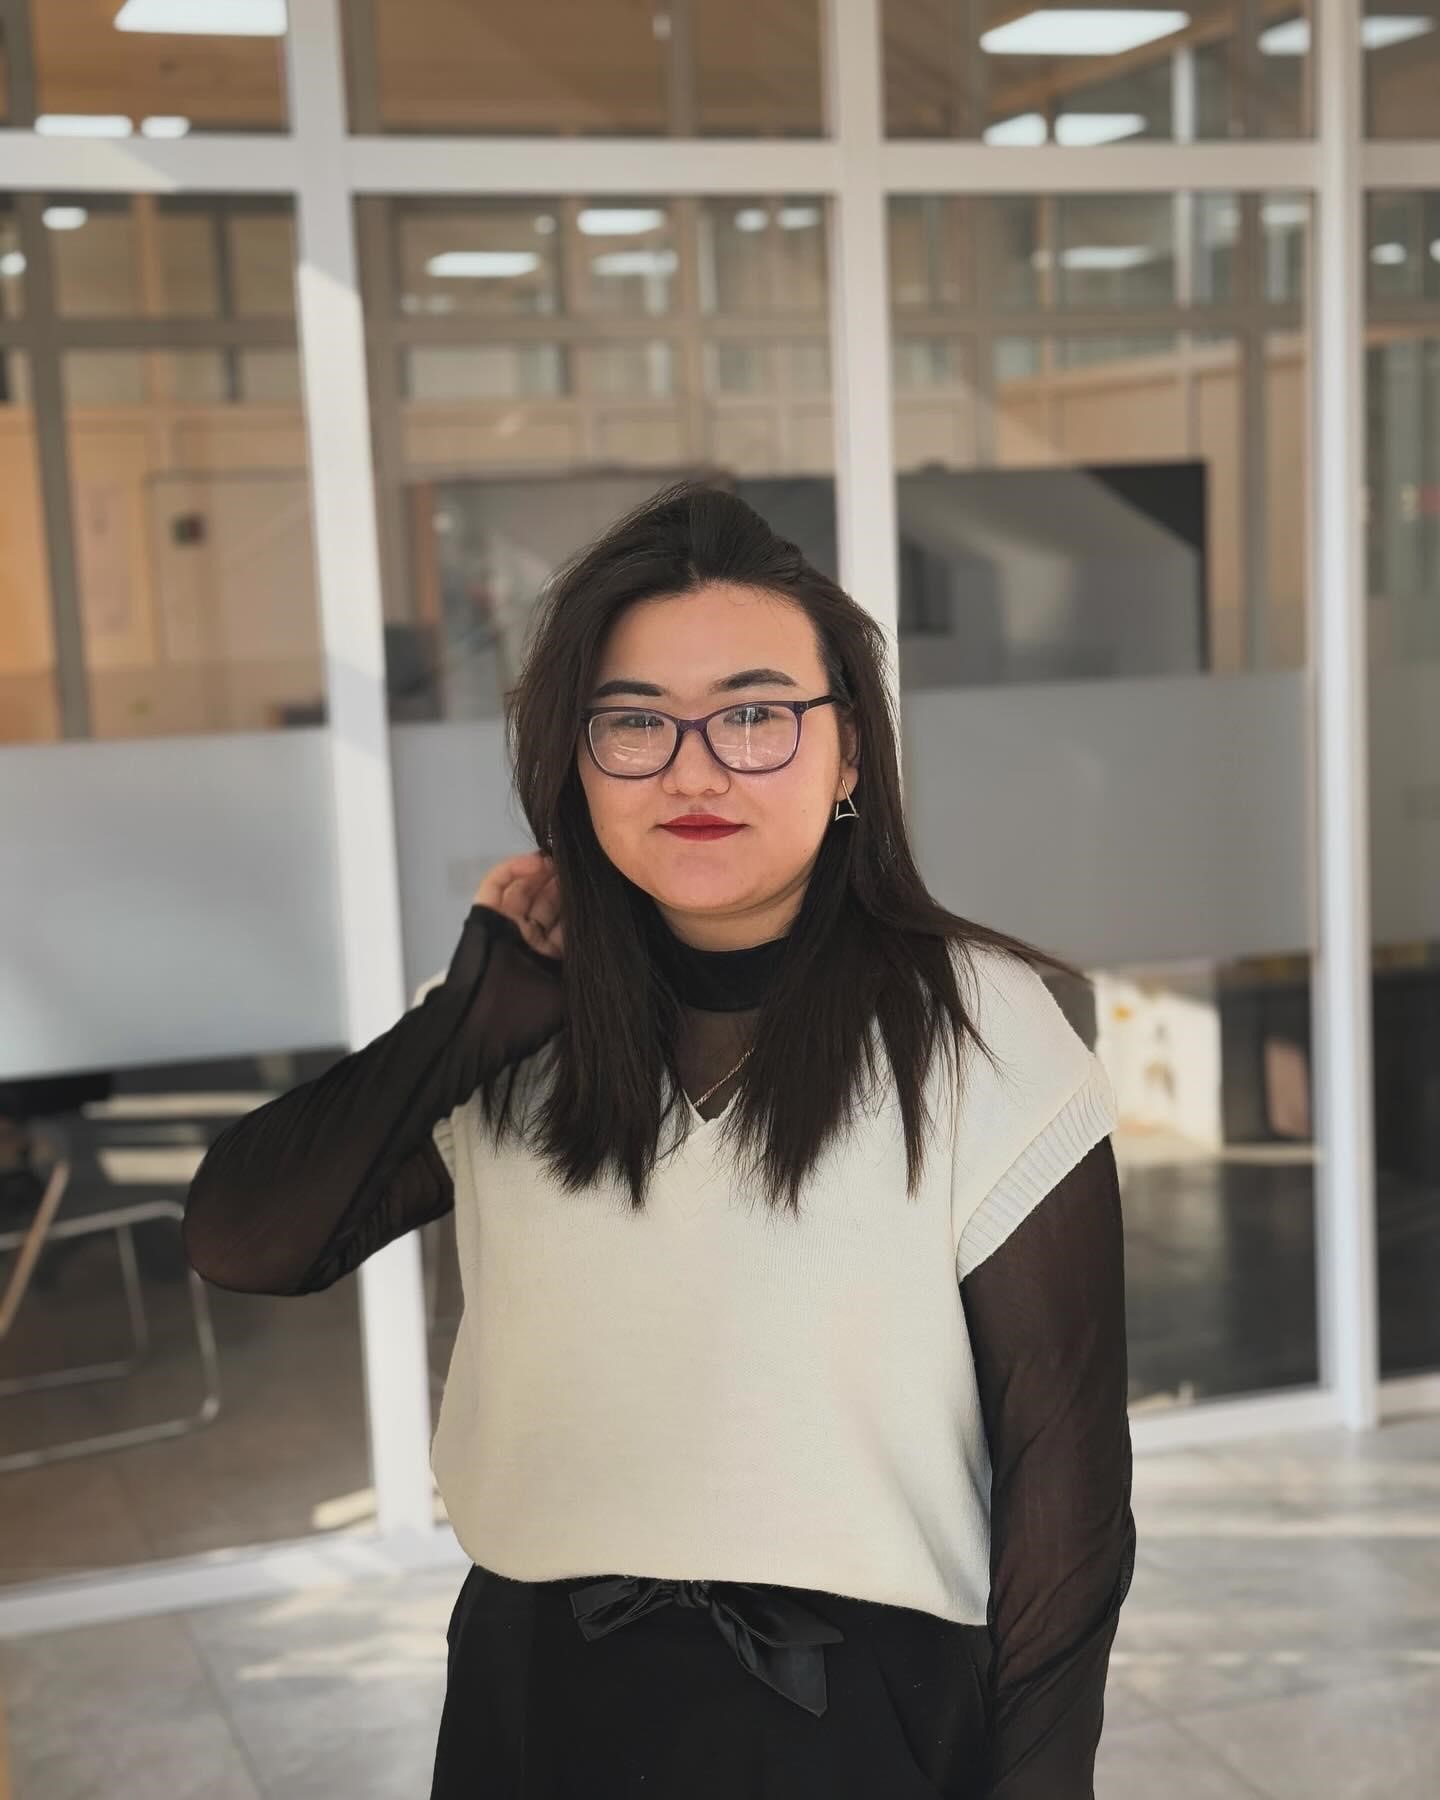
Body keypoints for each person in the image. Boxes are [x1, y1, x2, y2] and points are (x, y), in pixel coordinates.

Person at [182, 482, 1135, 1799]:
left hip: (862, 1724)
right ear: (574, 761)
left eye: (753, 714)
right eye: (633, 721)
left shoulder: (982, 1028)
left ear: (850, 752)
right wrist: (470, 1017)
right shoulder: (508, 1029)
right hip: (535, 1705)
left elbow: (1065, 1489)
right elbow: (246, 1241)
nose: (694, 770)